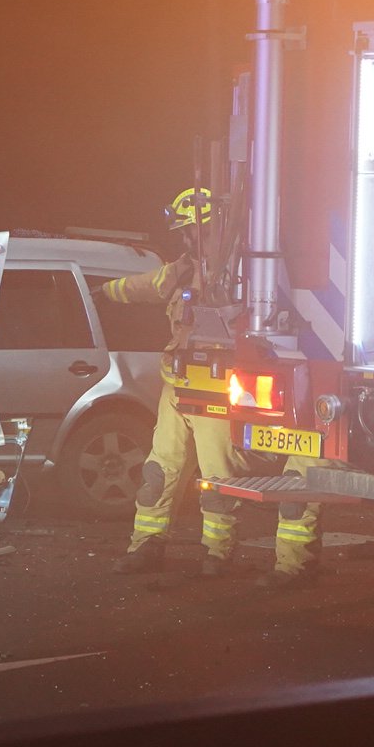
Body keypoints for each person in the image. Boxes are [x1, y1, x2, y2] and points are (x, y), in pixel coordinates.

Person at [108, 187, 252, 576]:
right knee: (158, 472)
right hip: (177, 386)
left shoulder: (243, 273)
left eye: (188, 231)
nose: (184, 239)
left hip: (217, 389)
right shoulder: (184, 268)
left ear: (206, 228)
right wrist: (104, 291)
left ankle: (218, 554)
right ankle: (146, 546)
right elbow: (147, 286)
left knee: (218, 477)